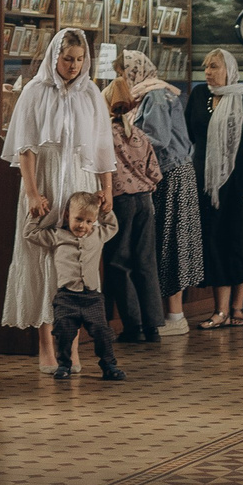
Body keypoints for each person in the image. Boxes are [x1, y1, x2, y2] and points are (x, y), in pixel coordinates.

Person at [1, 28, 115, 373]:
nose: (73, 66)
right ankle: (47, 347)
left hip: (80, 184)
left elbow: (101, 147)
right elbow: (25, 148)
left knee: (76, 264)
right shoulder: (35, 92)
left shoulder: (91, 93)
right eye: (68, 59)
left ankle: (73, 349)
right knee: (44, 262)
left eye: (80, 60)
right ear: (55, 56)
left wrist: (106, 188)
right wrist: (33, 193)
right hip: (46, 183)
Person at [187, 48, 243, 328]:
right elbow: (190, 134)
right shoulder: (199, 95)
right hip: (207, 185)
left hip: (241, 184)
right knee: (214, 243)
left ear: (229, 70)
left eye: (214, 66)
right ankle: (219, 310)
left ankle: (237, 308)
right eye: (206, 67)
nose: (208, 72)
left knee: (239, 242)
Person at [122, 52, 200, 333]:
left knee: (170, 244)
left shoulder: (154, 95)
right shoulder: (150, 93)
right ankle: (170, 315)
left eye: (124, 71)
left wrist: (124, 135)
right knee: (167, 242)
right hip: (170, 173)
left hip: (171, 174)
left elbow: (159, 138)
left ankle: (176, 317)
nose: (122, 77)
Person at [26, 192, 124, 381]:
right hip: (66, 297)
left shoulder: (98, 235)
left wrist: (104, 209)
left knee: (102, 332)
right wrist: (36, 216)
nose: (83, 225)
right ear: (66, 216)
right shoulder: (57, 236)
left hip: (92, 298)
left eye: (89, 221)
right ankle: (64, 365)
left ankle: (109, 365)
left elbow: (112, 226)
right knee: (63, 331)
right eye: (78, 219)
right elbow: (30, 234)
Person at [103, 74, 164, 345]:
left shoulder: (104, 134)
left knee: (119, 263)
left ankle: (133, 326)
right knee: (146, 263)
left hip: (121, 202)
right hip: (145, 201)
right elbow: (156, 172)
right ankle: (153, 327)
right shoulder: (137, 133)